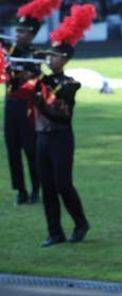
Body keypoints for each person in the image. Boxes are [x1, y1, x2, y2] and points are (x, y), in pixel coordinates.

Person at [31, 4, 94, 247]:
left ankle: (80, 223)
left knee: (62, 184)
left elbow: (59, 111)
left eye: (54, 55)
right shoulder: (41, 79)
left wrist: (40, 76)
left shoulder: (69, 83)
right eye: (49, 55)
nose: (49, 58)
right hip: (42, 137)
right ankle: (54, 231)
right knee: (47, 186)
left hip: (60, 137)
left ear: (65, 58)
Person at [2, 0, 59, 205]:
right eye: (17, 31)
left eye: (23, 32)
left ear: (32, 35)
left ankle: (36, 187)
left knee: (30, 149)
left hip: (28, 107)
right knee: (12, 148)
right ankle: (20, 190)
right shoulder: (10, 51)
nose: (18, 35)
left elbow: (36, 79)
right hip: (10, 105)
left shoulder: (35, 55)